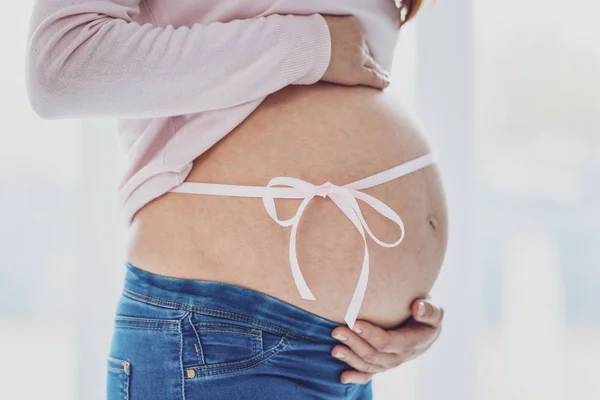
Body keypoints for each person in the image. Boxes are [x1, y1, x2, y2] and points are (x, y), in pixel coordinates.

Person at [26, 0, 448, 398]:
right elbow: (62, 65)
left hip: (350, 354)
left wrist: (398, 310)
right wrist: (308, 46)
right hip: (220, 337)